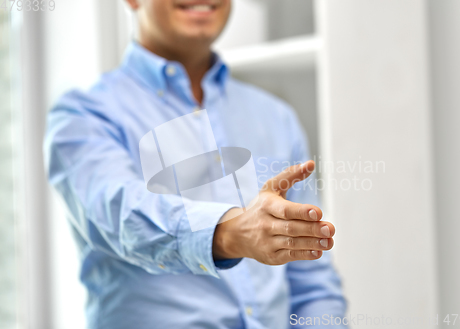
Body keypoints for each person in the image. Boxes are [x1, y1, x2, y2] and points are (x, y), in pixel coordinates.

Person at [44, 0, 347, 328]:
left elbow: (312, 281)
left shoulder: (276, 117)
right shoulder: (84, 115)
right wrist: (230, 233)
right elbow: (121, 214)